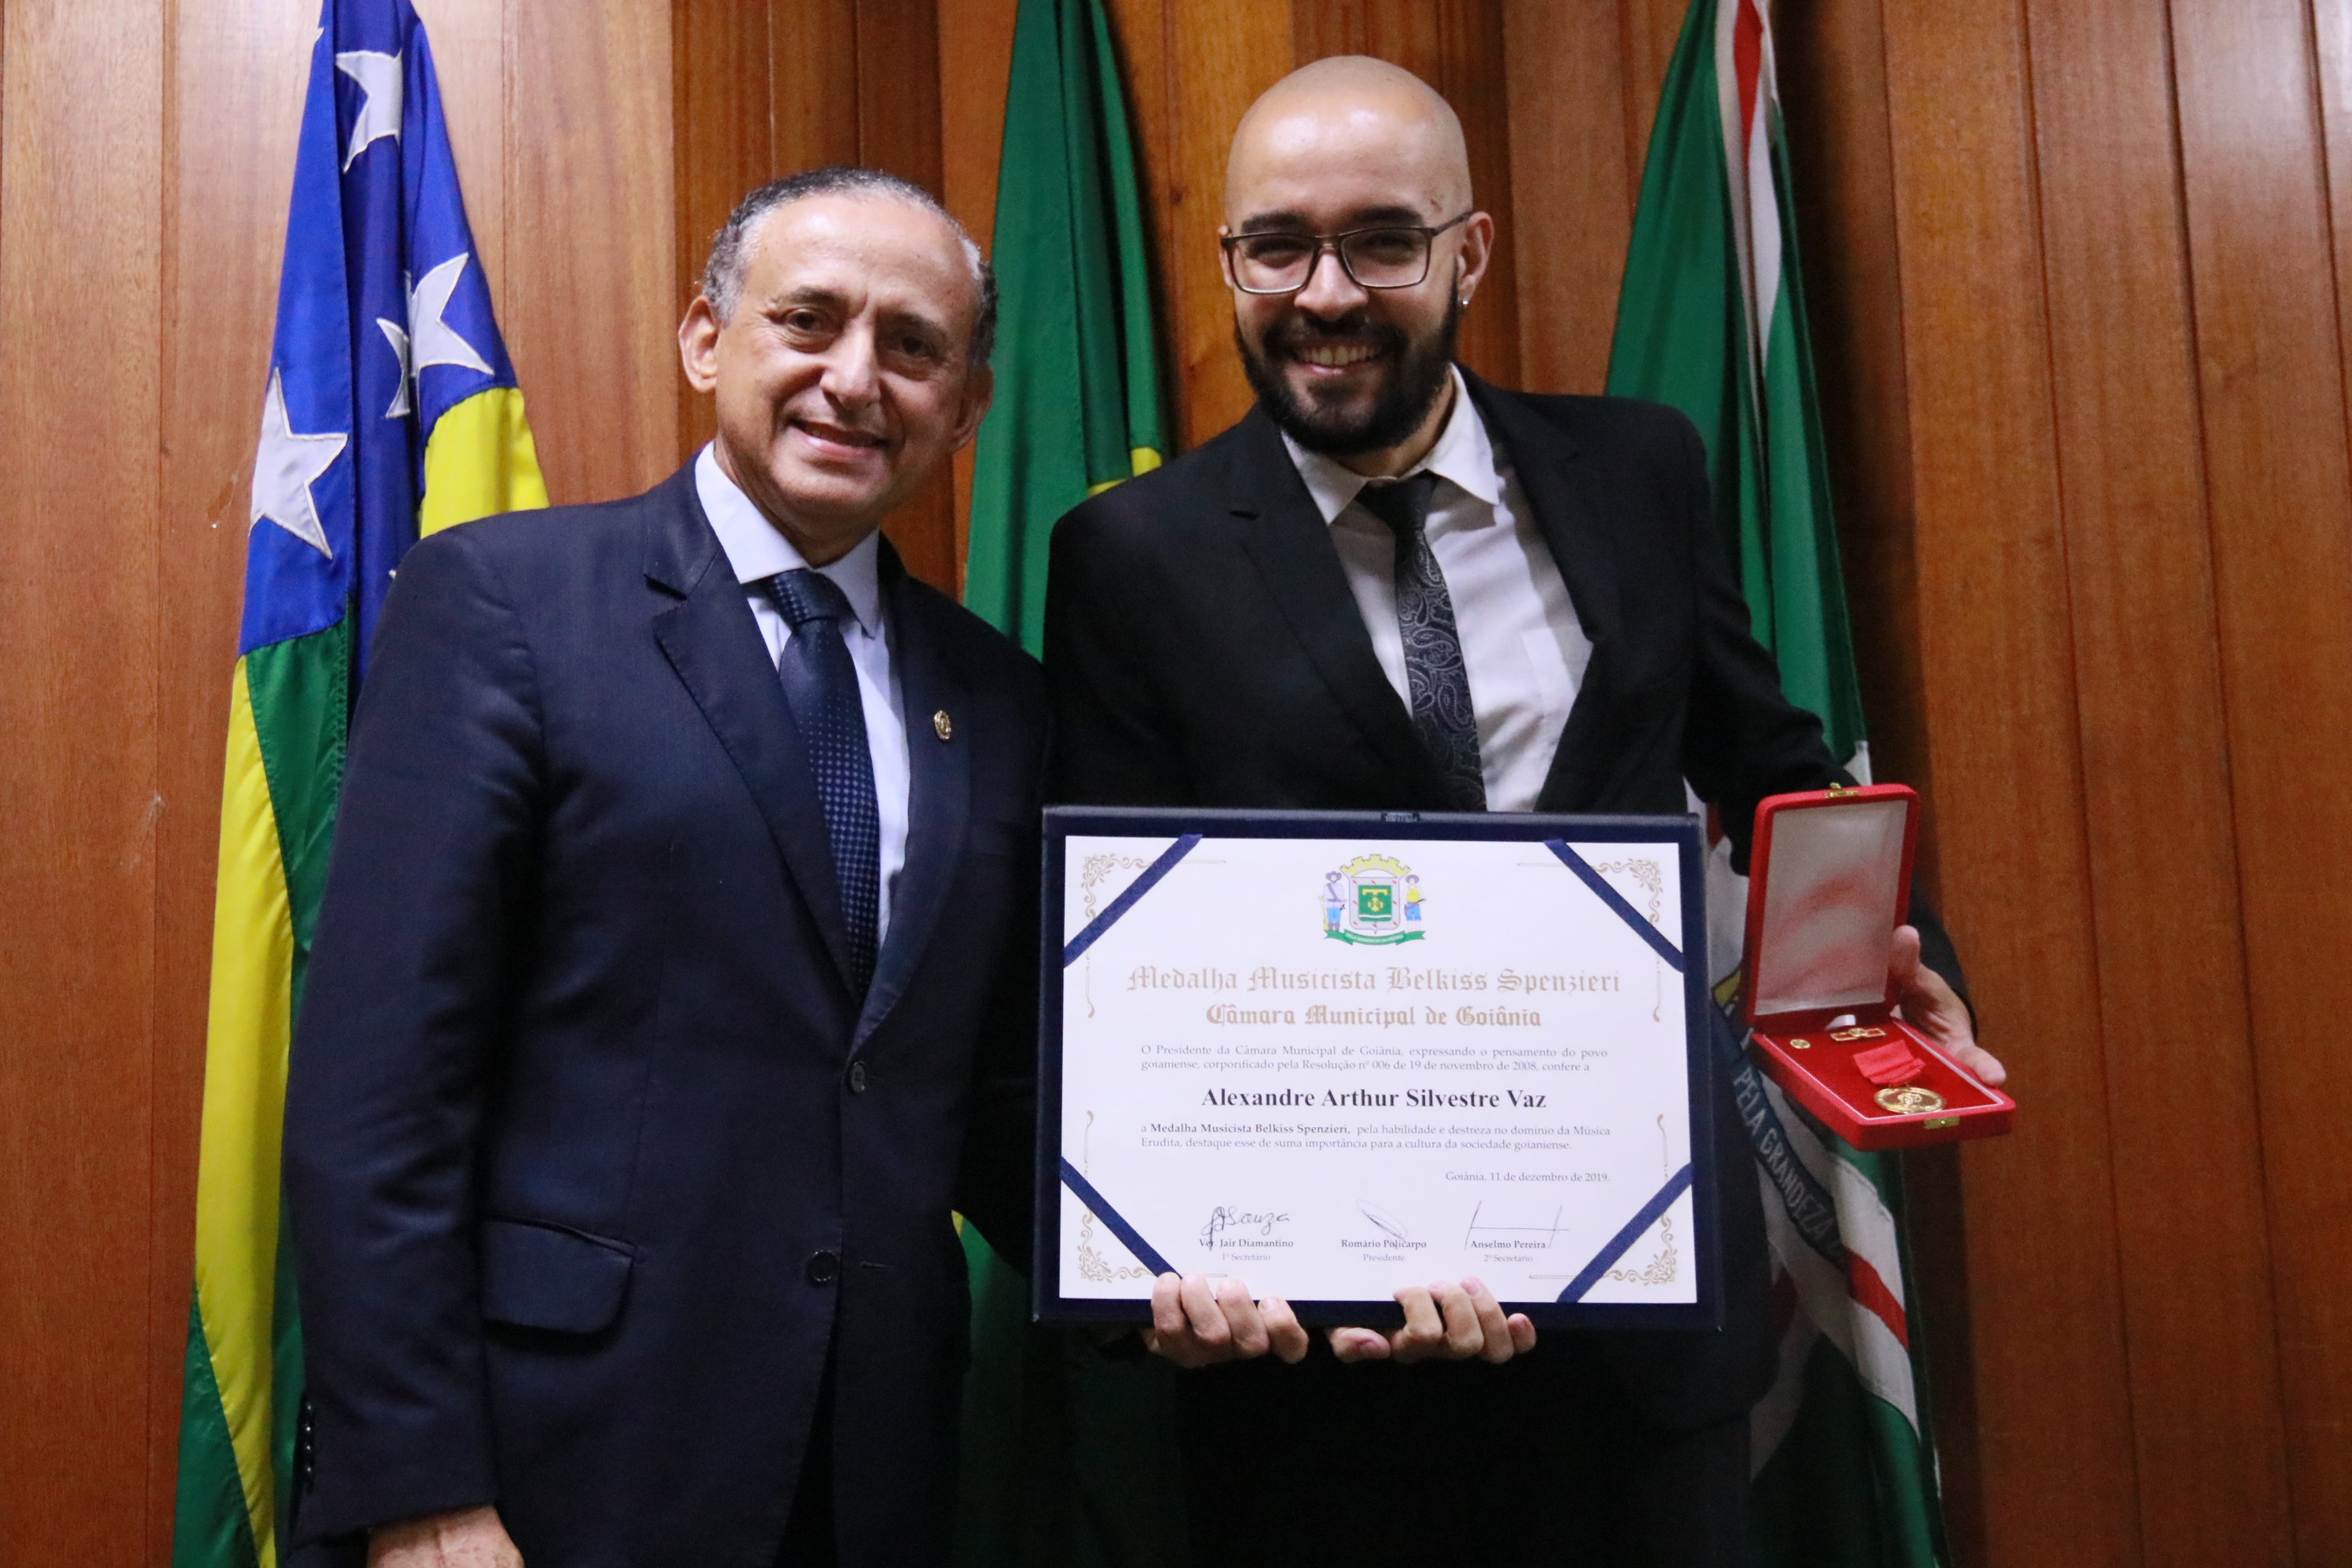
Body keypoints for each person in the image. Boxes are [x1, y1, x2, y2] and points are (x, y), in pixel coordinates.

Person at [1043, 57, 2005, 1567]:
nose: (1324, 293)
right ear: (1230, 260)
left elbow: (1768, 761)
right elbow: (1118, 940)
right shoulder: (1129, 556)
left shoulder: (1637, 470)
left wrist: (1886, 965)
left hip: (1642, 1315)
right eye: (1276, 245)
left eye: (1383, 241)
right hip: (1322, 1353)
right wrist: (1149, 1270)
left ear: (1471, 252)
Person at [284, 167, 1040, 1568]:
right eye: (807, 320)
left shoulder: (998, 698)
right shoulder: (505, 605)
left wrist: (1201, 1264)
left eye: (913, 345)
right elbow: (377, 1094)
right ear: (706, 338)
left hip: (872, 1472)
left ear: (967, 405)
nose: (854, 378)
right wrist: (418, 1489)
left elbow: (986, 1093)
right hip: (552, 1467)